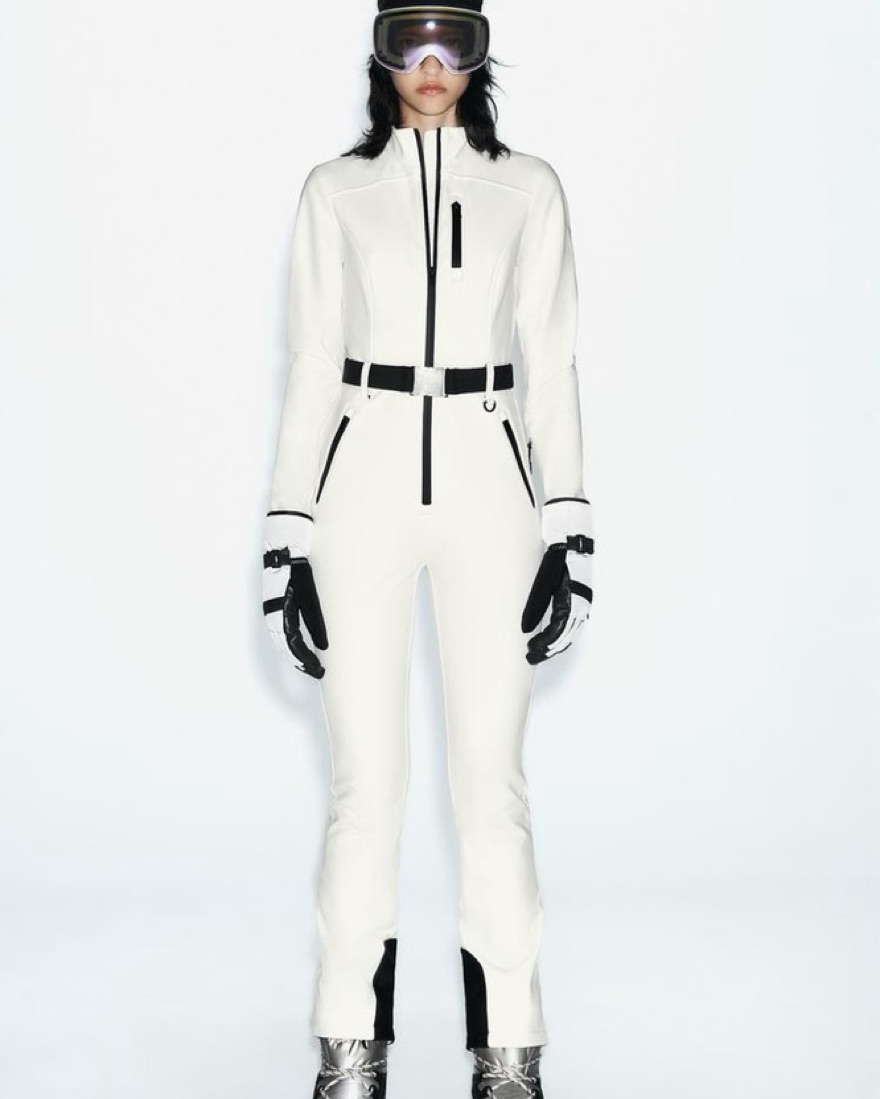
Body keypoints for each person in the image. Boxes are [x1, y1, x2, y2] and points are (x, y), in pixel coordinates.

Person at [261, 2, 594, 1095]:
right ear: (382, 54)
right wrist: (286, 537)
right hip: (360, 485)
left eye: (455, 37)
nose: (434, 62)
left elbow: (552, 362)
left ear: (481, 51)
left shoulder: (527, 188)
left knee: (491, 782)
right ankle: (349, 1045)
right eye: (411, 38)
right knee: (364, 782)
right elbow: (312, 363)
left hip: (490, 488)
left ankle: (509, 1052)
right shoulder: (336, 190)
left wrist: (569, 527)